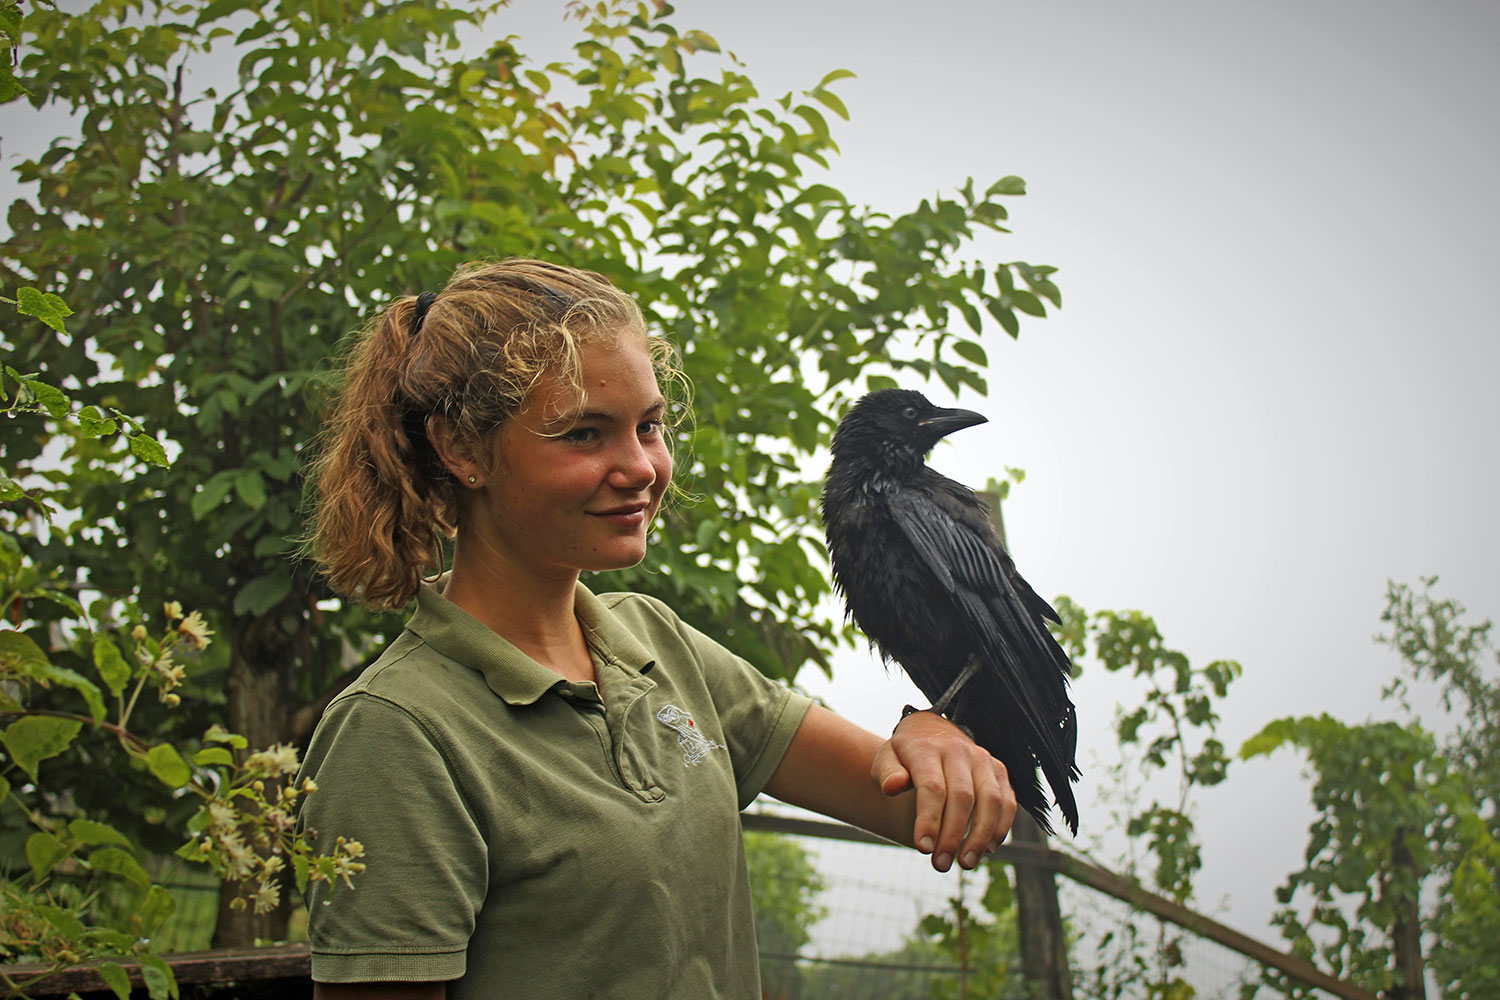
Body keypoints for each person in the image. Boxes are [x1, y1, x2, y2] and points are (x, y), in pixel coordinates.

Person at [299, 259, 1018, 1000]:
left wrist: (932, 734)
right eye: (584, 434)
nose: (640, 467)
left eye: (649, 426)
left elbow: (915, 807)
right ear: (461, 449)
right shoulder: (395, 733)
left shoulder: (655, 644)